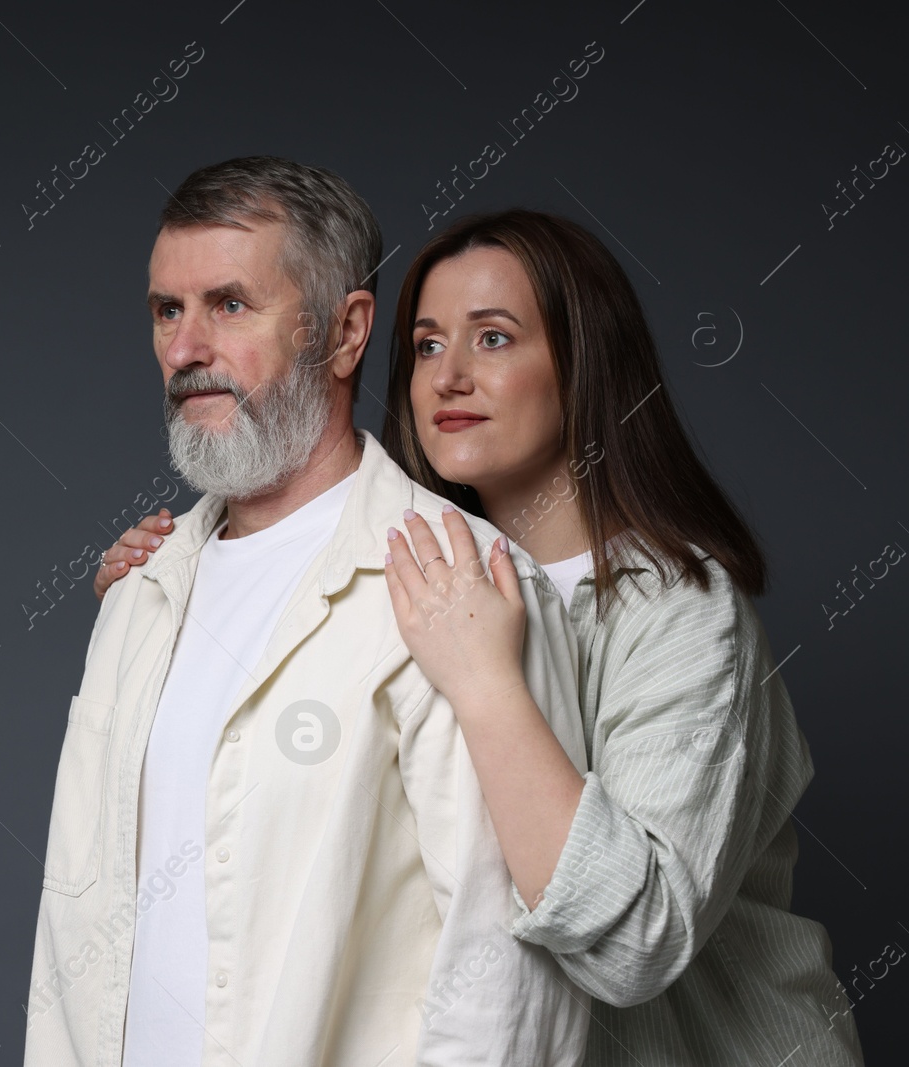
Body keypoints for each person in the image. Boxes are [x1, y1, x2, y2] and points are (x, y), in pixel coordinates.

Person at [95, 208, 866, 1065]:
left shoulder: (683, 613)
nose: (449, 377)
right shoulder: (407, 572)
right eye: (426, 345)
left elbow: (635, 942)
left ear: (584, 366)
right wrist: (177, 586)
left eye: (493, 339)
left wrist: (490, 684)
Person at [22, 156, 593, 1067]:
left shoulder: (461, 579)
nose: (184, 349)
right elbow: (74, 927)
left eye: (229, 305)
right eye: (167, 310)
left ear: (342, 331)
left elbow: (509, 983)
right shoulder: (141, 588)